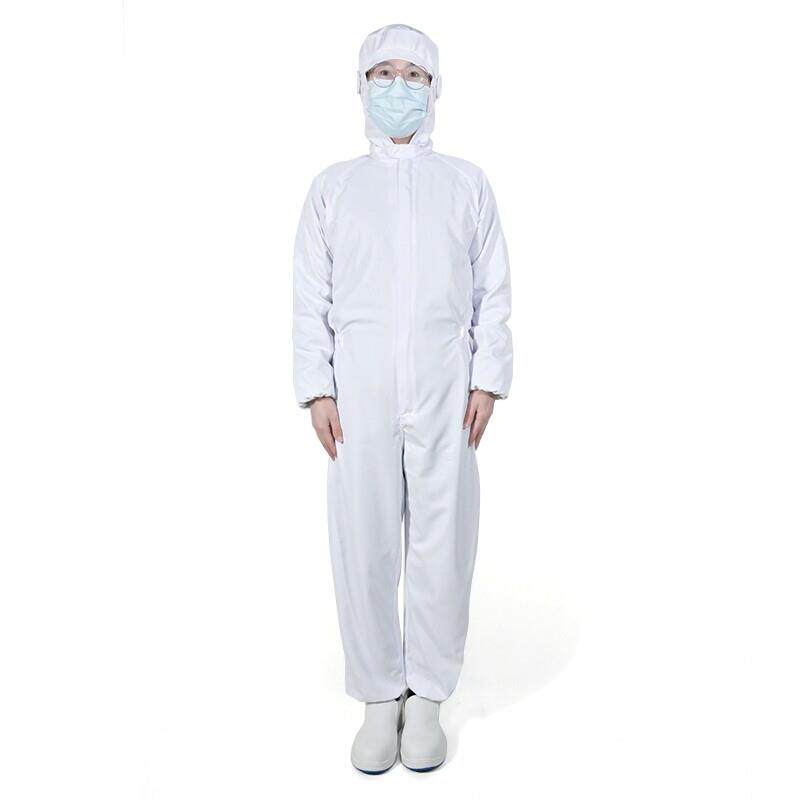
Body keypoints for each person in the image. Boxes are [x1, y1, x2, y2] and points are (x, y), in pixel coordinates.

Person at [292, 23, 512, 773]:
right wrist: (317, 387)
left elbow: (492, 289)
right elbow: (310, 298)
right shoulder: (333, 189)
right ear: (361, 86)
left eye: (412, 75)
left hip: (447, 388)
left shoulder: (466, 184)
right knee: (364, 539)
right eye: (382, 73)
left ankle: (428, 696)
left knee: (442, 539)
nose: (397, 87)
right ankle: (379, 693)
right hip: (357, 392)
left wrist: (488, 376)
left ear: (435, 88)